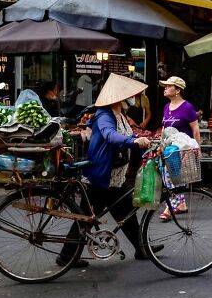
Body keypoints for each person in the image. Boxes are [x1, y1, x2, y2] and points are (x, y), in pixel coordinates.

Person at [58, 73, 163, 267]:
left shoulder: (120, 114)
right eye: (127, 95)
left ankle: (142, 248)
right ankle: (65, 257)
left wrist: (145, 139)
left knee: (126, 214)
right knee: (86, 218)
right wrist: (133, 141)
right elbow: (110, 136)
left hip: (115, 175)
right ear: (118, 97)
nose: (131, 99)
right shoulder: (104, 115)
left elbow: (127, 134)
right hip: (102, 176)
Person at [158, 76, 201, 221]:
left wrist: (197, 148)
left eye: (168, 86)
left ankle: (169, 208)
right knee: (169, 177)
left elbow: (195, 129)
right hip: (169, 149)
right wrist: (160, 144)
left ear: (177, 90)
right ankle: (181, 204)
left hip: (183, 149)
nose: (165, 88)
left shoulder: (187, 107)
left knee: (173, 179)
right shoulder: (166, 107)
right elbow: (165, 128)